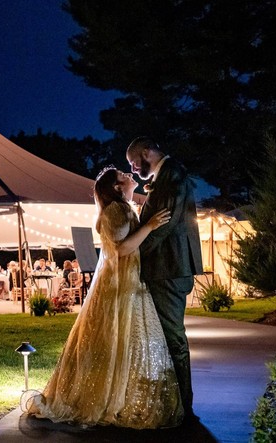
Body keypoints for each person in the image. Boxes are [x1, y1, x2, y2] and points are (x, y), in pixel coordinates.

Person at [27, 166, 182, 428]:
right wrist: (151, 226)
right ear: (117, 188)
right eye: (123, 175)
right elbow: (121, 249)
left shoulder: (124, 208)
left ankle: (122, 394)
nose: (129, 175)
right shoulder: (115, 211)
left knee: (128, 341)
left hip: (130, 281)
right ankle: (109, 397)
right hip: (119, 285)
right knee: (116, 339)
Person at [126, 137, 205, 420]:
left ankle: (183, 407)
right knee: (169, 337)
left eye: (135, 163)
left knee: (173, 338)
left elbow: (164, 222)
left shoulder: (171, 173)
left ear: (146, 152)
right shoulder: (168, 173)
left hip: (168, 268)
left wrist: (134, 252)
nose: (135, 171)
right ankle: (175, 402)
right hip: (169, 268)